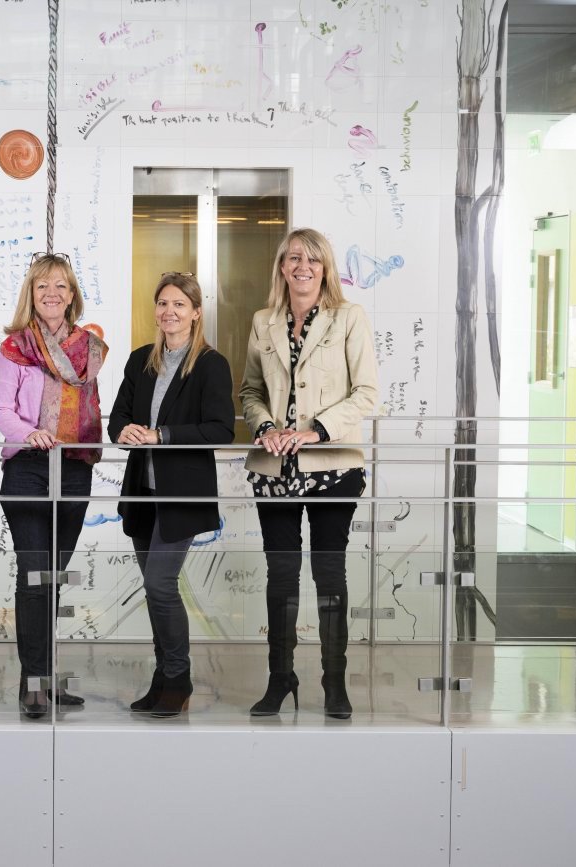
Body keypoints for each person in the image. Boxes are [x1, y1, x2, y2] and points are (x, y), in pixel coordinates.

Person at [238, 228, 378, 719]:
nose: (303, 266)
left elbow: (366, 392)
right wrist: (266, 427)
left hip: (332, 468)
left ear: (325, 269)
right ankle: (281, 678)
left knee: (329, 574)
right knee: (281, 576)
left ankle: (334, 682)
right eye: (294, 257)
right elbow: (250, 392)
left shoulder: (349, 317)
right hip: (275, 468)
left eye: (313, 259)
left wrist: (316, 431)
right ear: (282, 266)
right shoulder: (263, 321)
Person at [109, 273, 235, 718]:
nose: (169, 312)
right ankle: (163, 678)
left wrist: (161, 435)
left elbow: (221, 429)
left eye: (180, 304)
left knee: (159, 584)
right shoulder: (140, 359)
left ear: (196, 312)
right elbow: (118, 417)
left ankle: (179, 680)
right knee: (155, 589)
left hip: (182, 492)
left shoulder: (210, 364)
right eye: (163, 303)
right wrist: (124, 431)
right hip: (142, 490)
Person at [0, 252, 107, 718]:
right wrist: (29, 433)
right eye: (42, 286)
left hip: (75, 467)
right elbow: (1, 409)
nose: (52, 293)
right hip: (29, 466)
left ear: (72, 294)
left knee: (54, 578)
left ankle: (45, 677)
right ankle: (33, 685)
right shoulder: (15, 347)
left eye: (60, 285)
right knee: (35, 576)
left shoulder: (90, 349)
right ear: (31, 294)